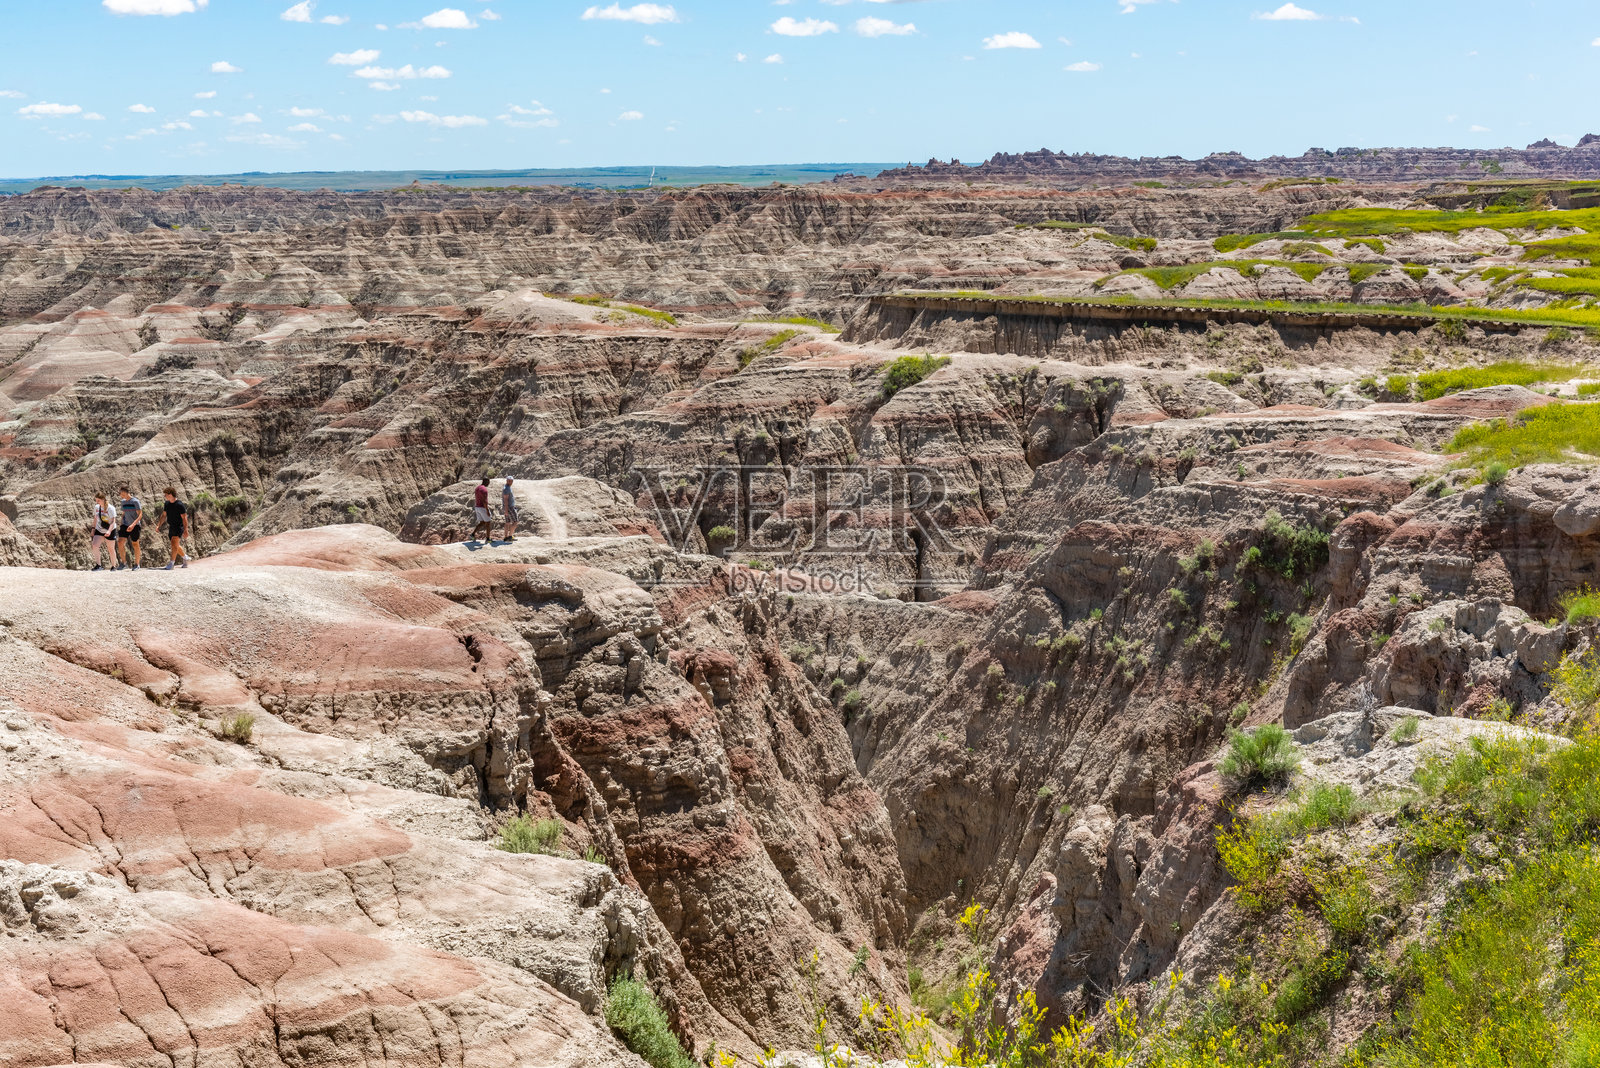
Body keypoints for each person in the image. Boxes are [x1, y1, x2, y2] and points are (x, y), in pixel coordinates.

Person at [158, 487, 192, 570]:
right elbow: (164, 515)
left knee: (174, 543)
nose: (165, 496)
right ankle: (185, 557)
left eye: (166, 495)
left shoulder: (179, 505)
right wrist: (158, 525)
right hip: (171, 526)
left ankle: (171, 563)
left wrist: (186, 530)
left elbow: (184, 518)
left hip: (178, 526)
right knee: (175, 545)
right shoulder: (167, 504)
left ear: (170, 494)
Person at [115, 487, 142, 571]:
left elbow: (140, 515)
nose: (121, 495)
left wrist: (133, 525)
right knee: (120, 542)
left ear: (127, 492)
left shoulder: (135, 501)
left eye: (122, 494)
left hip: (135, 525)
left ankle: (137, 564)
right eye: (120, 494)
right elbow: (124, 512)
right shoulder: (123, 502)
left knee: (135, 544)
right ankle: (124, 563)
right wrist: (121, 521)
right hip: (125, 524)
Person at [88, 492, 117, 571]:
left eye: (98, 500)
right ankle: (98, 565)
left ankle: (113, 566)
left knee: (111, 548)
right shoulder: (97, 507)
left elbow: (113, 521)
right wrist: (93, 529)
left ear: (103, 499)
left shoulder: (111, 508)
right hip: (99, 529)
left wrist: (109, 531)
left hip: (110, 529)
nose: (97, 502)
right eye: (96, 500)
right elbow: (95, 518)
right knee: (95, 545)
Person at [470, 478, 493, 543]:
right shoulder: (484, 490)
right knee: (488, 523)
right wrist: (487, 510)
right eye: (488, 482)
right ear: (486, 481)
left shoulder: (477, 488)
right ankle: (488, 539)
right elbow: (484, 501)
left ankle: (472, 534)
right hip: (482, 507)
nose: (489, 483)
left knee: (482, 522)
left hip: (477, 507)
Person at [500, 476, 518, 543]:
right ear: (506, 481)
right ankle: (510, 536)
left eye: (511, 481)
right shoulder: (507, 489)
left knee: (507, 522)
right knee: (515, 521)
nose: (510, 482)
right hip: (510, 507)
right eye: (509, 481)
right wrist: (506, 510)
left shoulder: (507, 487)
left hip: (507, 507)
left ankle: (506, 537)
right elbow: (506, 500)